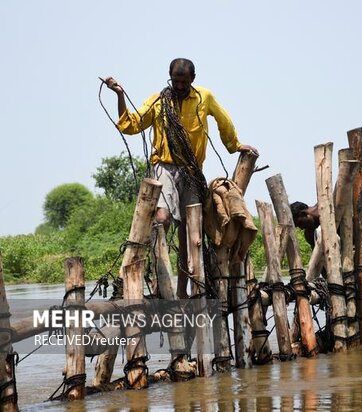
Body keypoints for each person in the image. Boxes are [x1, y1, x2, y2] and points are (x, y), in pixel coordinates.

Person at [102, 58, 258, 299]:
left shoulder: (204, 97)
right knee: (161, 219)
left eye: (184, 82)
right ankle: (158, 286)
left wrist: (235, 145)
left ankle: (183, 290)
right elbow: (131, 125)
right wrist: (120, 96)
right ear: (170, 77)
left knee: (190, 231)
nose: (180, 86)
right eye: (175, 81)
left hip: (192, 170)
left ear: (192, 80)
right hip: (163, 166)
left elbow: (223, 120)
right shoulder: (158, 100)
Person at [290, 201, 362, 271]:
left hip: (356, 246)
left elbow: (356, 209)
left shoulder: (330, 203)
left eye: (299, 223)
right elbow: (319, 262)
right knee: (321, 231)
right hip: (335, 261)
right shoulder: (310, 233)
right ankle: (343, 270)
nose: (301, 228)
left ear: (303, 214)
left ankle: (355, 267)